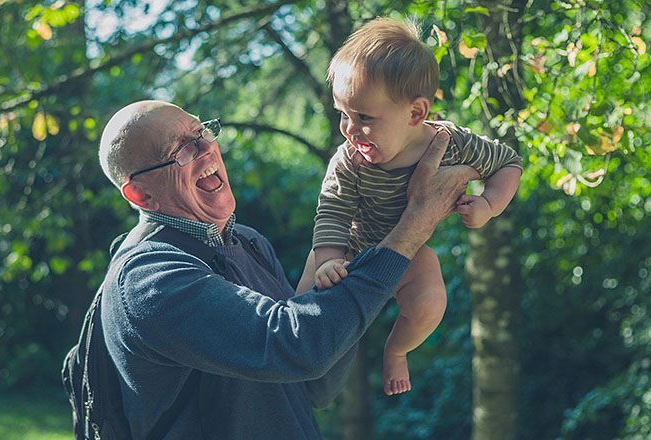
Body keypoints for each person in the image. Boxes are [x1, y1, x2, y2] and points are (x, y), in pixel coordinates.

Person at [97, 99, 477, 439]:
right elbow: (298, 346)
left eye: (201, 132)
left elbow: (315, 382)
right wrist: (413, 227)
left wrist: (361, 242)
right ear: (140, 194)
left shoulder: (247, 243)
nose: (206, 147)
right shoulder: (149, 278)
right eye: (180, 149)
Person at [294, 18, 523, 396]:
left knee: (430, 303)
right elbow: (333, 209)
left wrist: (488, 204)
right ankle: (302, 378)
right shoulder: (350, 158)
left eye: (364, 117)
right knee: (306, 312)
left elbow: (508, 163)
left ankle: (397, 350)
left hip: (409, 255)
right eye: (342, 114)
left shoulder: (452, 143)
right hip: (350, 246)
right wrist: (329, 260)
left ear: (416, 114)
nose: (349, 130)